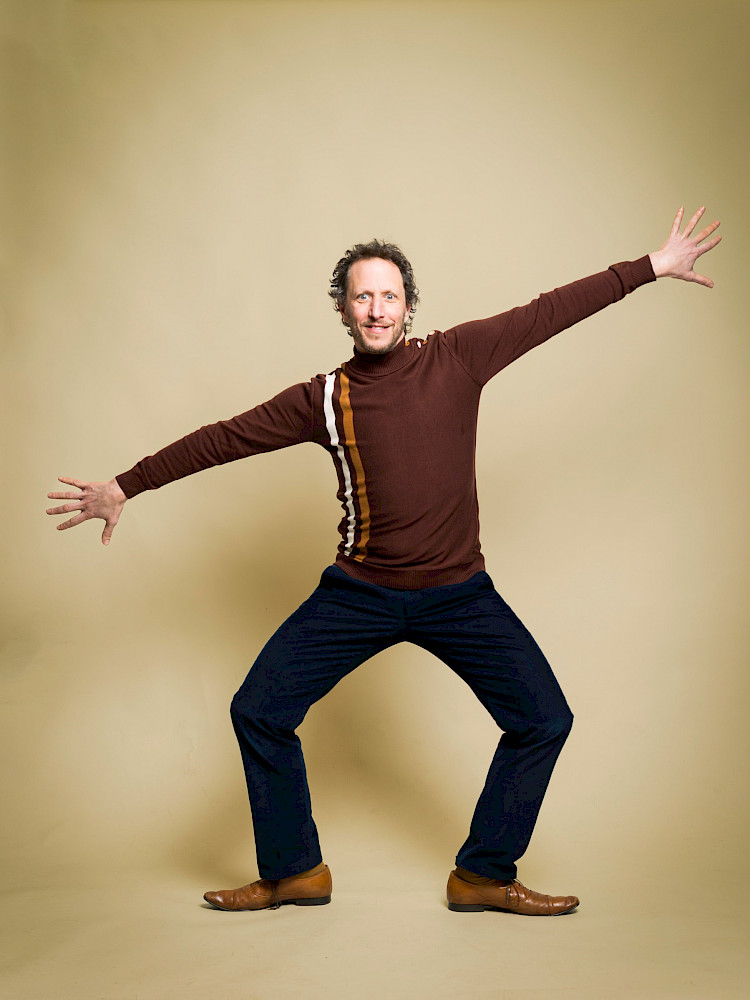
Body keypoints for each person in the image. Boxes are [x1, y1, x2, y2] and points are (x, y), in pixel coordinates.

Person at [46, 206, 721, 916]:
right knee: (259, 711)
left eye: (389, 296)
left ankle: (482, 875)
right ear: (344, 310)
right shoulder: (324, 398)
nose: (376, 309)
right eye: (362, 296)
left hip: (460, 595)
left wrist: (651, 267)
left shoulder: (459, 357)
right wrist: (126, 485)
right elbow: (225, 438)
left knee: (544, 719)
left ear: (408, 306)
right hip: (359, 594)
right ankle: (295, 872)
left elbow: (550, 311)